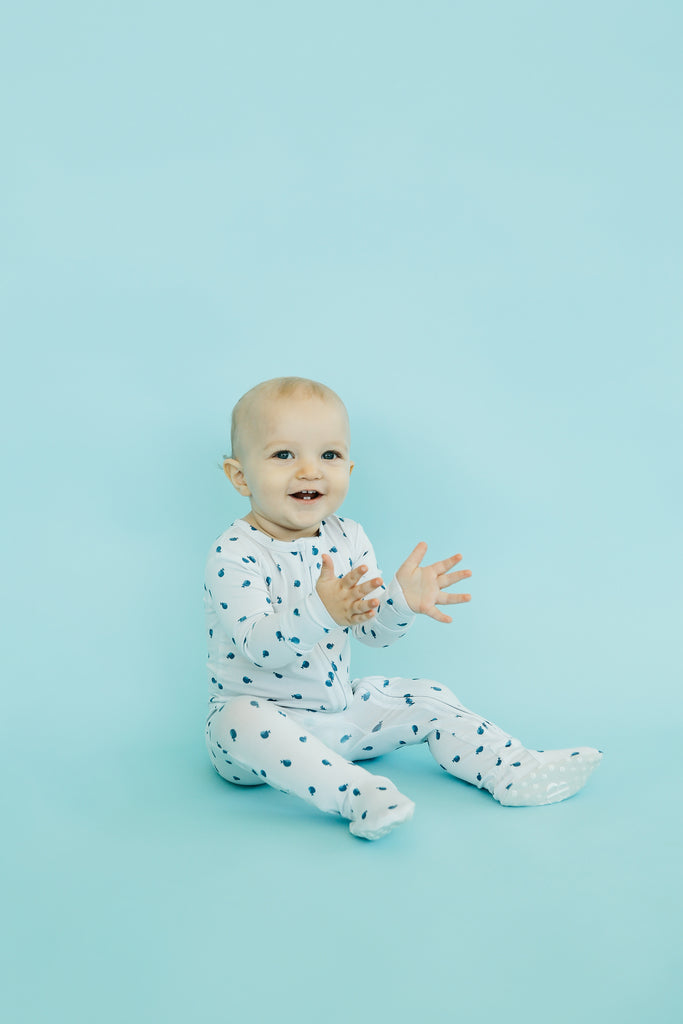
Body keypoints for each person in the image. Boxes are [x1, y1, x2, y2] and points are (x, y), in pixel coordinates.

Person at [204, 376, 602, 840]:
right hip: (254, 734)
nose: (310, 471)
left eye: (328, 455)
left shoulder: (348, 537)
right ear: (240, 476)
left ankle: (513, 768)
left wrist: (399, 604)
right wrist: (322, 612)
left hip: (336, 716)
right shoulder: (234, 552)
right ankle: (360, 795)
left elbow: (374, 634)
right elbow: (259, 649)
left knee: (427, 694)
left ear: (349, 470)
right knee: (239, 718)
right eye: (283, 454)